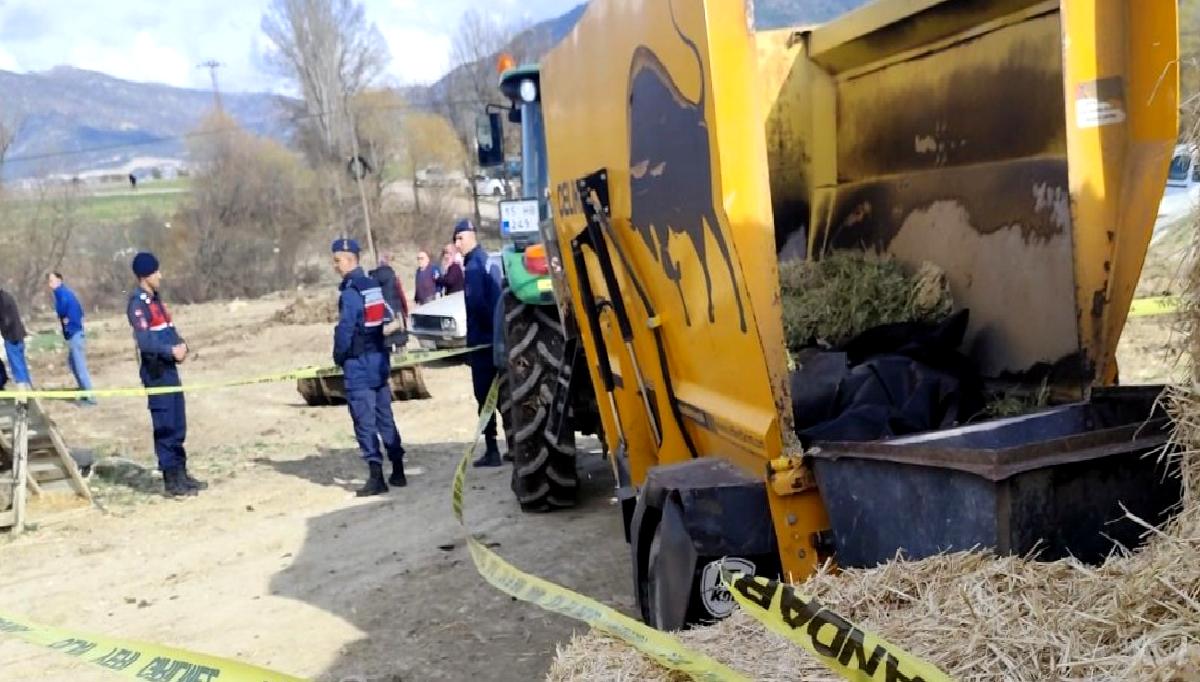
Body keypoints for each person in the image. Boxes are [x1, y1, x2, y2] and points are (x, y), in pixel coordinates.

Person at [331, 238, 407, 496]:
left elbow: (345, 329)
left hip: (359, 364)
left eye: (337, 260)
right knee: (385, 417)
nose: (335, 266)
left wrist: (339, 355)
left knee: (364, 420)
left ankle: (376, 476)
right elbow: (386, 317)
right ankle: (398, 469)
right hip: (378, 361)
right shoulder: (372, 286)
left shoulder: (352, 291)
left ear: (350, 260)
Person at [126, 252, 205, 498]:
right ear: (145, 275)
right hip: (156, 372)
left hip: (169, 370)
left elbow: (169, 330)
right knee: (165, 425)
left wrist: (181, 345)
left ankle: (181, 472)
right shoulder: (137, 304)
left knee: (178, 423)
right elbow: (146, 342)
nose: (160, 276)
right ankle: (171, 480)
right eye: (156, 272)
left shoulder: (156, 301)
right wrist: (170, 351)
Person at [453, 219, 504, 467]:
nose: (457, 244)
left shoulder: (473, 266)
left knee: (485, 397)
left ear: (471, 236)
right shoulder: (487, 259)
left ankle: (493, 449)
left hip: (483, 343)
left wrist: (483, 333)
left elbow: (478, 304)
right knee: (503, 394)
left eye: (460, 238)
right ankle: (515, 445)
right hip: (495, 339)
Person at [48, 272, 96, 405]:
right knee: (73, 363)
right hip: (74, 333)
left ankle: (90, 398)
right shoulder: (65, 293)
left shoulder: (62, 294)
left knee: (79, 366)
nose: (49, 284)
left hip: (75, 333)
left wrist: (68, 323)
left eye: (52, 280)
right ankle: (84, 392)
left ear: (59, 280)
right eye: (49, 281)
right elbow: (79, 311)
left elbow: (63, 310)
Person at [368, 253, 410, 352]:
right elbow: (401, 294)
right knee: (400, 341)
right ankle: (405, 362)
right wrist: (405, 310)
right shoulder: (393, 276)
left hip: (382, 313)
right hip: (396, 312)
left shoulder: (372, 278)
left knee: (386, 344)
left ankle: (388, 364)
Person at [0, 287, 31, 388]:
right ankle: (28, 390)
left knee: (16, 366)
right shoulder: (7, 296)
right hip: (18, 334)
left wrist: (3, 329)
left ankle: (23, 395)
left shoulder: (2, 300)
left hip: (12, 337)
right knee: (22, 365)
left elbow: (6, 320)